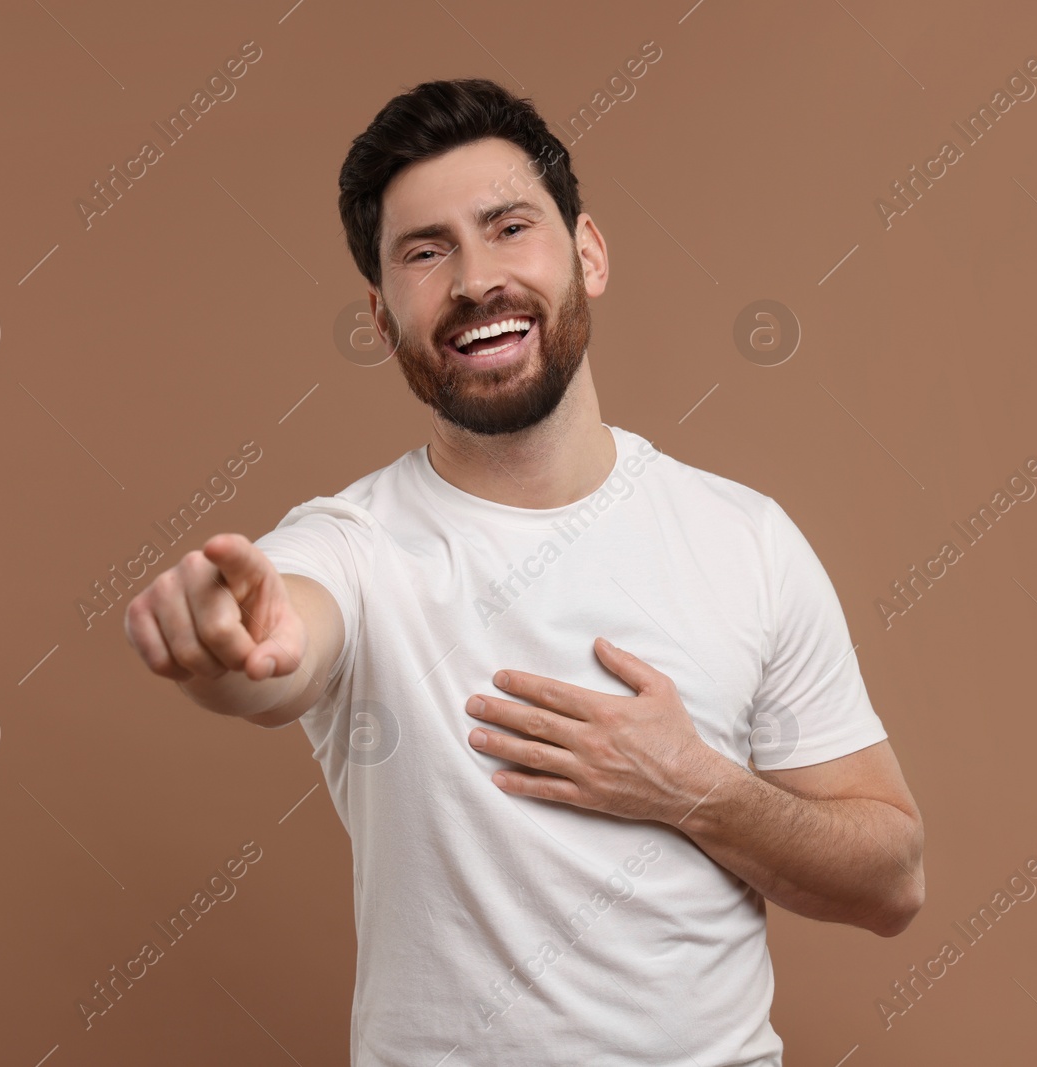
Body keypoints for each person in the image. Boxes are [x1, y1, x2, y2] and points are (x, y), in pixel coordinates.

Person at [123, 77, 924, 1067]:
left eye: (507, 227)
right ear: (381, 315)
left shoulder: (743, 537)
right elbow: (280, 639)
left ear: (586, 252)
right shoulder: (350, 544)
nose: (473, 280)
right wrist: (227, 645)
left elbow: (889, 878)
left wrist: (693, 788)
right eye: (426, 251)